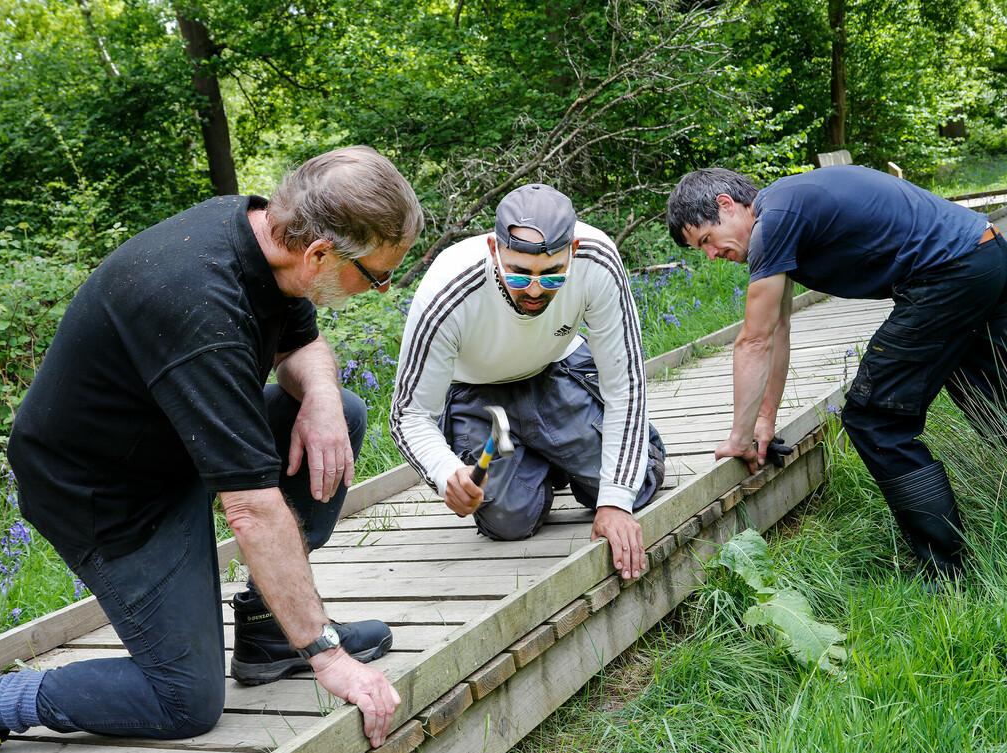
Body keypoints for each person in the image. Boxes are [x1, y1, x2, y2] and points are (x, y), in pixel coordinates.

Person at [0, 145, 424, 753]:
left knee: (342, 417)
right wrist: (329, 657)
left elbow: (301, 342)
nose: (381, 289)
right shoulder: (200, 306)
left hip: (170, 441)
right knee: (182, 701)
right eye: (377, 276)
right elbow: (251, 510)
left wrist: (326, 401)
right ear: (319, 255)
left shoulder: (261, 234)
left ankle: (266, 634)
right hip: (104, 491)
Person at [666, 165, 1006, 580]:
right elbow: (776, 329)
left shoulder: (775, 222)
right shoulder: (785, 209)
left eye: (706, 240)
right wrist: (764, 421)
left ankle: (948, 571)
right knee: (990, 400)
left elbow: (753, 341)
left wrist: (737, 439)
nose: (712, 255)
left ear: (727, 205)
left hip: (948, 272)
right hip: (984, 254)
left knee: (875, 419)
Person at [390, 184, 665, 582]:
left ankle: (627, 446)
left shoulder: (597, 257)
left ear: (572, 250)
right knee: (507, 522)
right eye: (519, 275)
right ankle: (545, 459)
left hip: (558, 369)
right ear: (493, 250)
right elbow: (409, 414)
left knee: (631, 488)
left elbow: (625, 383)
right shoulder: (446, 291)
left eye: (553, 276)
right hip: (477, 394)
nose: (535, 290)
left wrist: (616, 502)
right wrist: (446, 471)